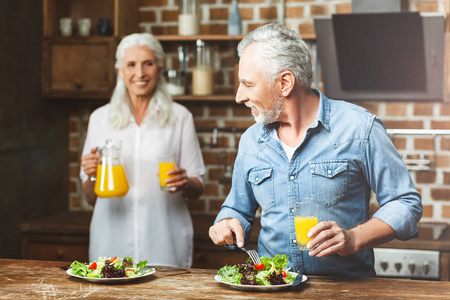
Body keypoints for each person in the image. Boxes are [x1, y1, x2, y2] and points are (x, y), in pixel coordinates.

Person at [208, 23, 422, 277]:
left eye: (248, 84)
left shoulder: (359, 128)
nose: (239, 96)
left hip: (346, 292)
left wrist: (353, 238)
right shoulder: (251, 141)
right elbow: (237, 209)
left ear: (285, 83)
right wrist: (225, 223)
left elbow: (406, 203)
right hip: (273, 290)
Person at [80, 33, 205, 267]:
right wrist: (92, 173)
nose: (140, 73)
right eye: (131, 65)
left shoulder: (180, 118)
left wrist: (185, 182)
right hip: (110, 240)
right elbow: (89, 196)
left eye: (148, 63)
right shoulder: (100, 119)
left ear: (159, 68)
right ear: (120, 70)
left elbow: (198, 187)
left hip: (165, 241)